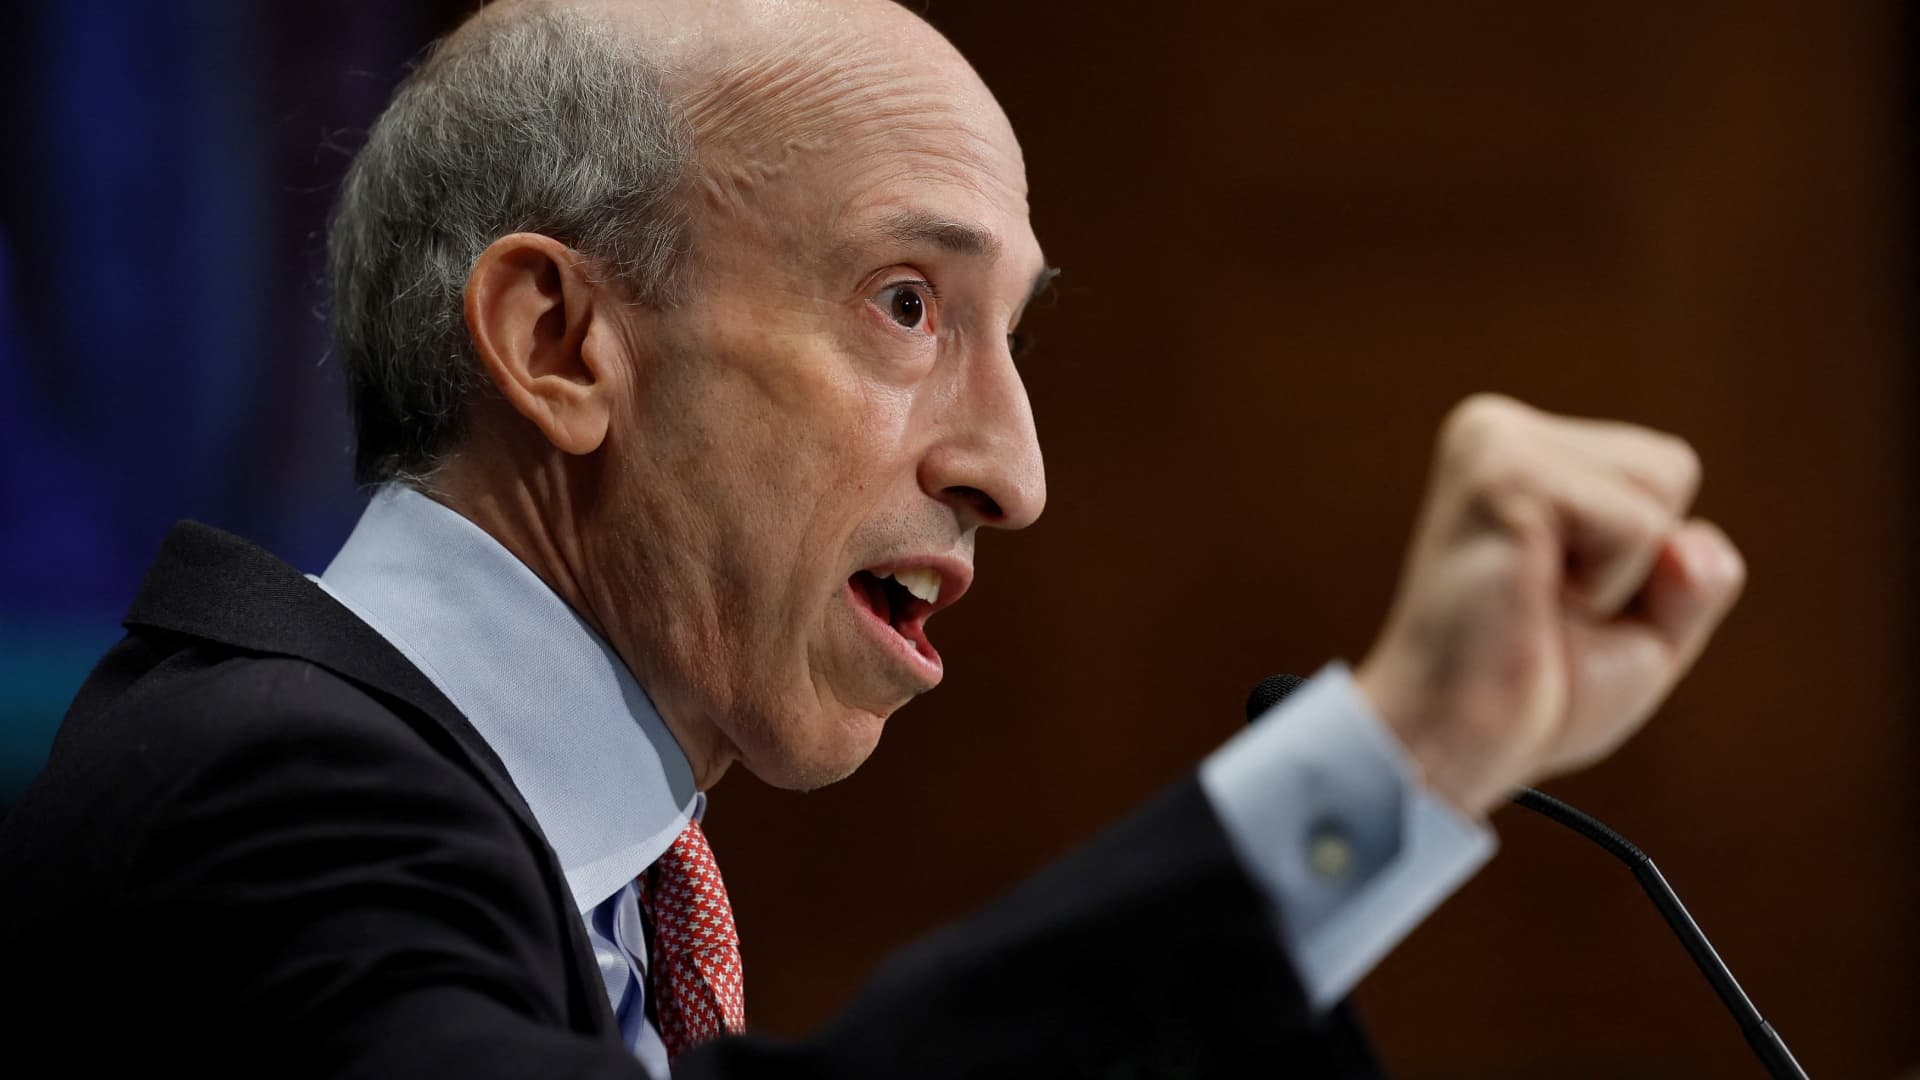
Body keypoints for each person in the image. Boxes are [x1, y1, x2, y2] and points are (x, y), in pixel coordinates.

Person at [0, 1, 1746, 1075]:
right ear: (558, 342)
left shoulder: (556, 867)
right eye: (908, 306)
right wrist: (1391, 767)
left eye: (1015, 337)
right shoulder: (268, 795)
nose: (1015, 472)